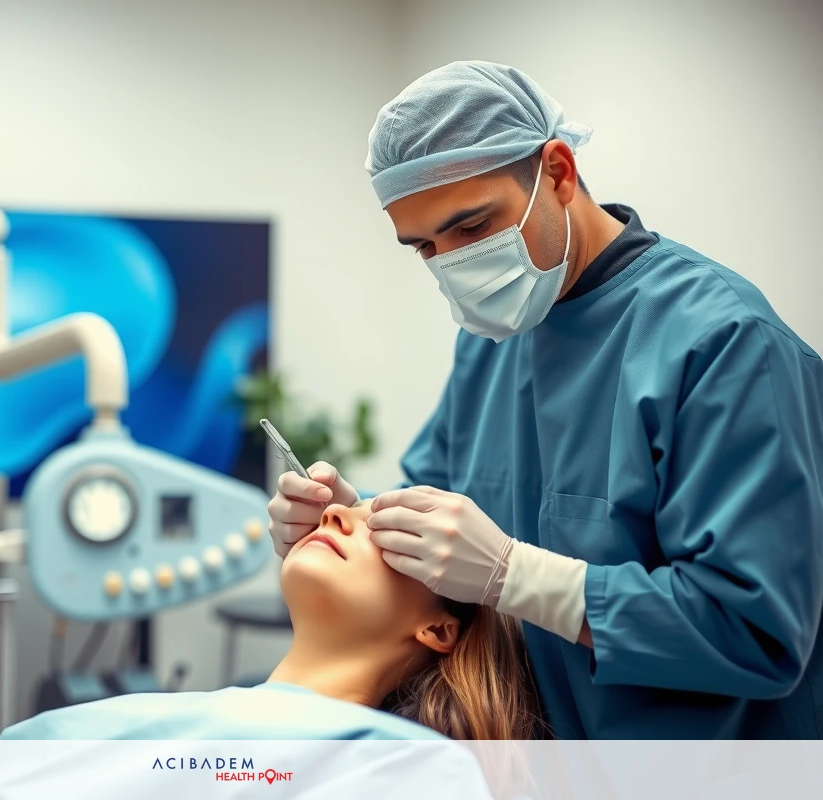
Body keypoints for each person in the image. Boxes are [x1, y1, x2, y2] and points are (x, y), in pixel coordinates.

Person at [269, 60, 823, 739]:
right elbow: (437, 506)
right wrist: (351, 519)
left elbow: (758, 633)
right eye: (424, 247)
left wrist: (519, 578)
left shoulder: (727, 345)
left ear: (557, 171)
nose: (453, 265)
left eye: (472, 228)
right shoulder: (496, 339)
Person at [0, 503, 541, 800]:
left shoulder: (410, 771)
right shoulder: (108, 725)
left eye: (390, 530)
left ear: (439, 628)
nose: (334, 512)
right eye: (351, 505)